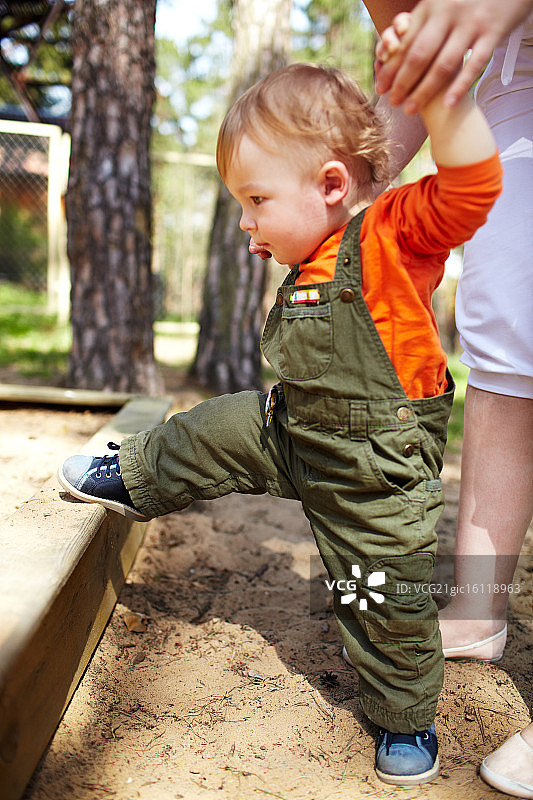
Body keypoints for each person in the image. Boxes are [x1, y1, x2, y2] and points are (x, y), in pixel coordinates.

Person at [57, 62, 501, 786]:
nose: (247, 222)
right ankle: (135, 475)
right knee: (213, 427)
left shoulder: (390, 234)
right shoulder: (308, 253)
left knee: (382, 599)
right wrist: (277, 235)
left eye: (256, 200)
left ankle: (403, 718)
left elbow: (472, 185)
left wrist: (442, 95)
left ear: (330, 185)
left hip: (375, 474)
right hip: (296, 432)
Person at [363, 2, 533, 797]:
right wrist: (336, 194)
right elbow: (415, 70)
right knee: (505, 329)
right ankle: (474, 607)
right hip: (512, 73)